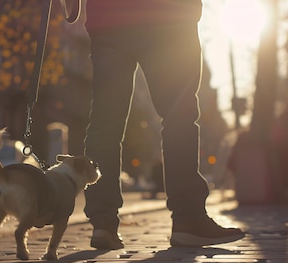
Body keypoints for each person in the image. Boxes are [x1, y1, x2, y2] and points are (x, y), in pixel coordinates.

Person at [83, 0, 245, 249]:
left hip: (108, 17)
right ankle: (188, 220)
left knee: (105, 122)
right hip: (167, 15)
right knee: (179, 115)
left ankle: (102, 222)